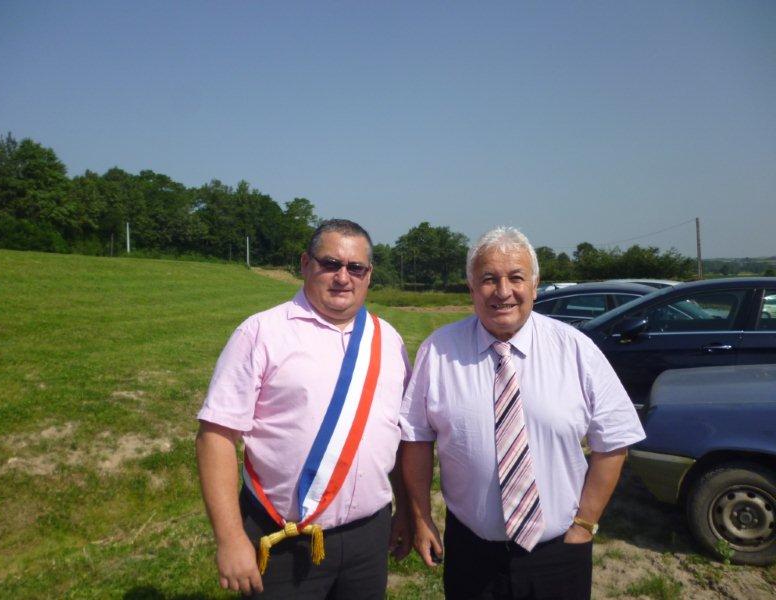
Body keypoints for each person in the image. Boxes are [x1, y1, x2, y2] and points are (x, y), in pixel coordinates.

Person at [400, 226, 645, 600]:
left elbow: (614, 441)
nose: (503, 291)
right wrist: (421, 518)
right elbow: (416, 439)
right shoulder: (439, 351)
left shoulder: (576, 349)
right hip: (471, 552)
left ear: (535, 284)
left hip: (559, 554)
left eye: (516, 277)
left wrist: (585, 524)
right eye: (488, 279)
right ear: (471, 287)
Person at [196, 219, 411, 599]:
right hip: (282, 538)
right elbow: (216, 436)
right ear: (305, 264)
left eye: (355, 268)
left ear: (369, 274)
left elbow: (399, 436)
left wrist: (406, 511)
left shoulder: (388, 340)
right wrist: (230, 538)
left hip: (368, 537)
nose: (343, 277)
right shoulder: (261, 333)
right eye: (330, 263)